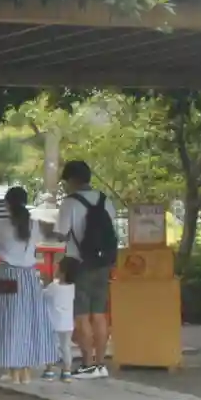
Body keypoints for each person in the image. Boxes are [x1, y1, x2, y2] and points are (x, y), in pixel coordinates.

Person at [0, 186, 55, 383]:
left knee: (8, 319)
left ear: (7, 204)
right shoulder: (34, 226)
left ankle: (13, 371)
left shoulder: (0, 226)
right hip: (29, 276)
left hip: (7, 275)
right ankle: (26, 371)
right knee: (28, 321)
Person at [57, 160, 118, 379]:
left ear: (72, 180)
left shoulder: (69, 203)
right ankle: (100, 365)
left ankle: (87, 365)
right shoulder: (104, 199)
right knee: (99, 314)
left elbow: (61, 235)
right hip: (103, 263)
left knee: (81, 316)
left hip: (80, 264)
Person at [41, 256, 78, 381]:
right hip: (68, 324)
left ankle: (49, 370)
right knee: (66, 347)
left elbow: (43, 295)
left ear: (62, 272)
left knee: (51, 347)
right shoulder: (73, 287)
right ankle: (67, 371)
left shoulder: (53, 287)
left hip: (53, 323)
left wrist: (44, 282)